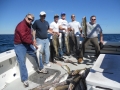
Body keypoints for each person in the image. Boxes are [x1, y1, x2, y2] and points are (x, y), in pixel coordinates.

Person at [14, 13, 41, 87]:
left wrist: (33, 39)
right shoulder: (21, 25)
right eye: (29, 19)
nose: (30, 21)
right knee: (22, 61)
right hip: (20, 45)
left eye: (32, 20)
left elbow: (31, 33)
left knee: (35, 54)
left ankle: (39, 68)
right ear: (25, 17)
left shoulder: (29, 25)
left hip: (27, 44)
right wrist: (33, 43)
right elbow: (24, 38)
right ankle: (24, 79)